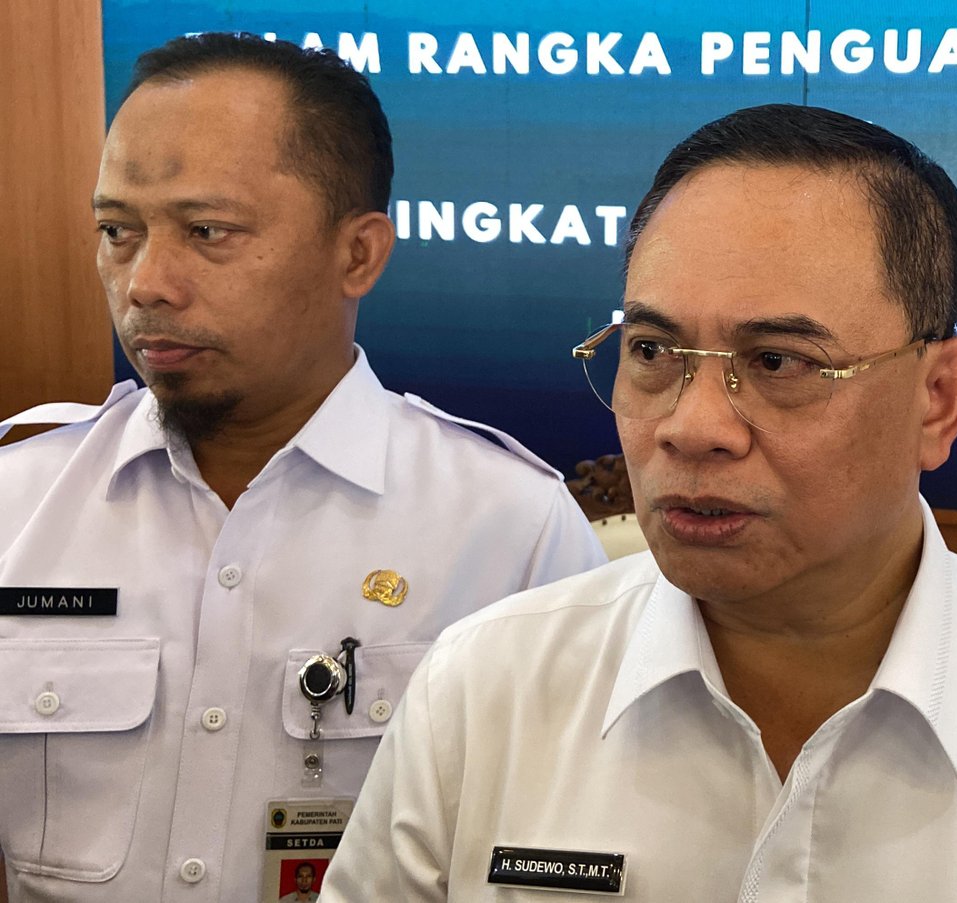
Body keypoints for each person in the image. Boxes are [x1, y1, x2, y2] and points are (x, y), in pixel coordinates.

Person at [322, 103, 957, 901]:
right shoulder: (483, 692)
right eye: (653, 352)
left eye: (779, 362)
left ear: (940, 397)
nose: (693, 427)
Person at [0, 33, 604, 902]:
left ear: (358, 254)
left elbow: (558, 857)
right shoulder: (18, 505)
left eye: (208, 231)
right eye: (117, 231)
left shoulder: (511, 532)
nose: (146, 282)